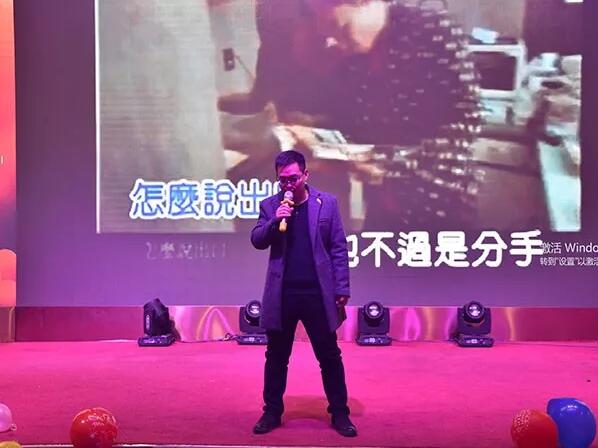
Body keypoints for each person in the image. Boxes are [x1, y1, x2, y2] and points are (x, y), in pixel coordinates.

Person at [220, 0, 482, 230]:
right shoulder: (354, 57)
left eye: (340, 28)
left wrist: (376, 161)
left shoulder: (431, 30)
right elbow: (355, 126)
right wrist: (317, 136)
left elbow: (458, 136)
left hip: (439, 208)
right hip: (383, 204)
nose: (332, 42)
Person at [250, 150, 356, 437]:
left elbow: (338, 248)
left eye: (293, 178)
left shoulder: (327, 203)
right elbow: (257, 239)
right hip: (283, 293)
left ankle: (340, 412)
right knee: (276, 356)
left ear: (305, 175)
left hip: (317, 293)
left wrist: (342, 287)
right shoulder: (270, 205)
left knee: (329, 355)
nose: (288, 184)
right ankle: (272, 412)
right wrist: (275, 221)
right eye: (283, 180)